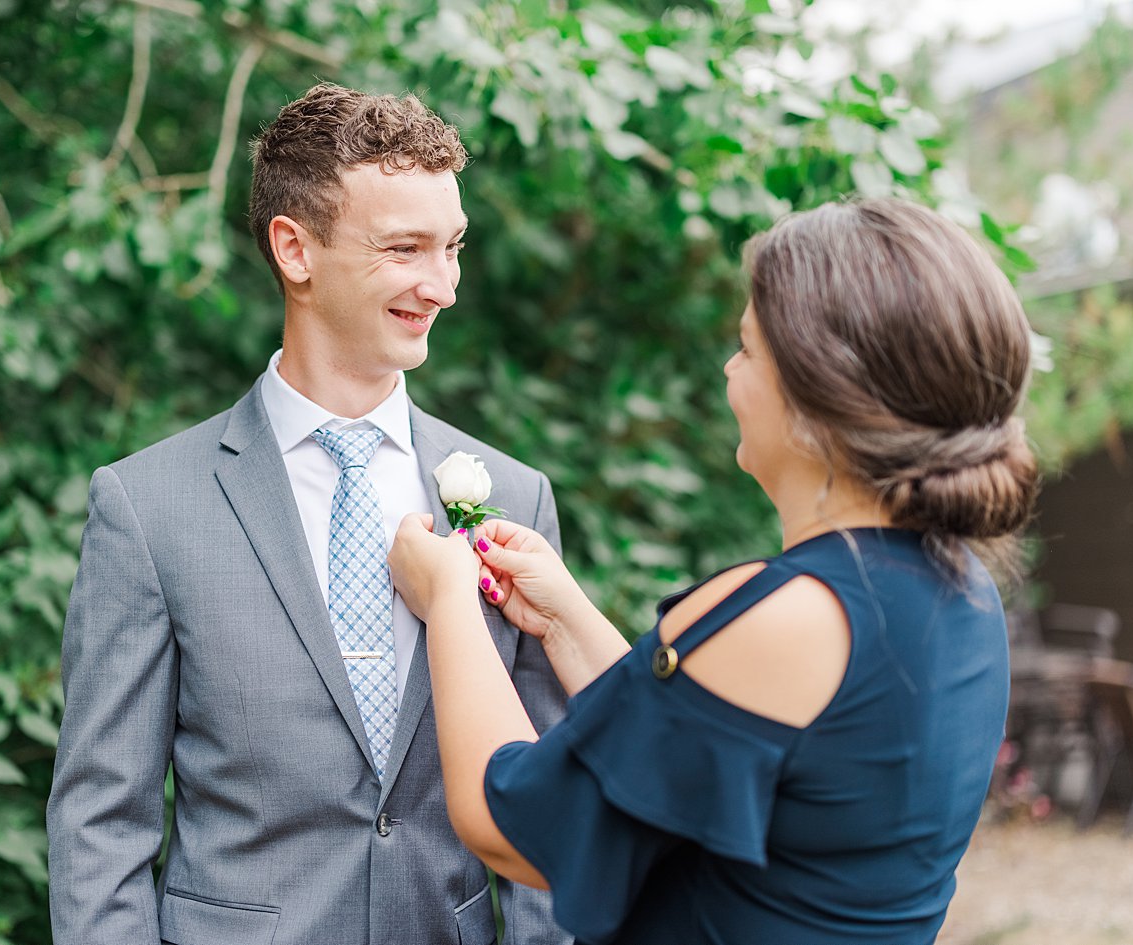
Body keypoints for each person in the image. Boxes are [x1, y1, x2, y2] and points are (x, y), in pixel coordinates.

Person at [386, 197, 1041, 943]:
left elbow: (515, 825)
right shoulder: (959, 590)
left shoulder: (794, 616)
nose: (730, 369)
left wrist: (449, 599)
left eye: (749, 349)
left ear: (817, 399)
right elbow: (689, 752)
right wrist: (565, 622)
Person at [46, 84, 569, 945]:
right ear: (295, 249)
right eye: (405, 248)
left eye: (453, 247)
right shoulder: (147, 508)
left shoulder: (514, 498)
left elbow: (551, 808)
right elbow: (101, 824)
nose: (442, 286)